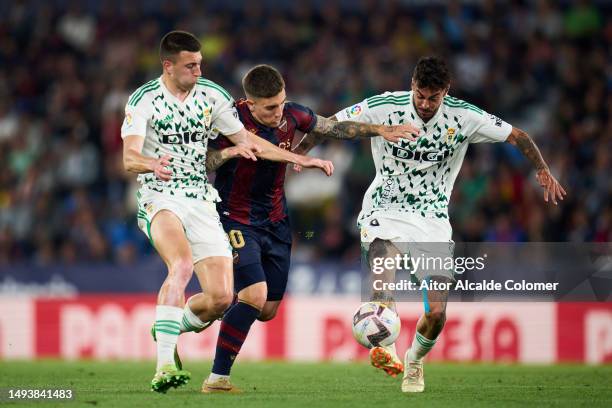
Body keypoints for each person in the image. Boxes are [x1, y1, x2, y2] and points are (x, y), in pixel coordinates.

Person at [294, 56, 566, 393]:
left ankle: (415, 359)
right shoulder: (385, 106)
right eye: (420, 94)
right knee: (382, 282)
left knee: (436, 312)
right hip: (385, 210)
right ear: (412, 85)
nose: (424, 104)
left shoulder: (465, 117)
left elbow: (517, 135)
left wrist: (541, 168)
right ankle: (384, 344)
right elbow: (330, 124)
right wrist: (299, 155)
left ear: (445, 92)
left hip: (432, 220)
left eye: (432, 98)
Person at [121, 31, 333, 393]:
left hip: (201, 200)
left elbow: (250, 142)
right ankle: (162, 369)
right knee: (182, 266)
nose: (198, 71)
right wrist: (151, 164)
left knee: (221, 298)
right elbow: (129, 158)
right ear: (167, 66)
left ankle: (169, 326)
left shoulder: (213, 96)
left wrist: (300, 158)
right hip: (161, 195)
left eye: (200, 63)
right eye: (190, 66)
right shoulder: (144, 100)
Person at [188, 64, 420, 393]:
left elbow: (331, 127)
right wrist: (227, 153)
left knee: (266, 310)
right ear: (250, 104)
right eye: (270, 107)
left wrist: (380, 130)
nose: (278, 112)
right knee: (254, 295)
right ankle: (218, 378)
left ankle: (201, 310)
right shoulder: (228, 120)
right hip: (234, 217)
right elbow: (203, 161)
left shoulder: (292, 114)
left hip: (276, 221)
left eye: (281, 103)